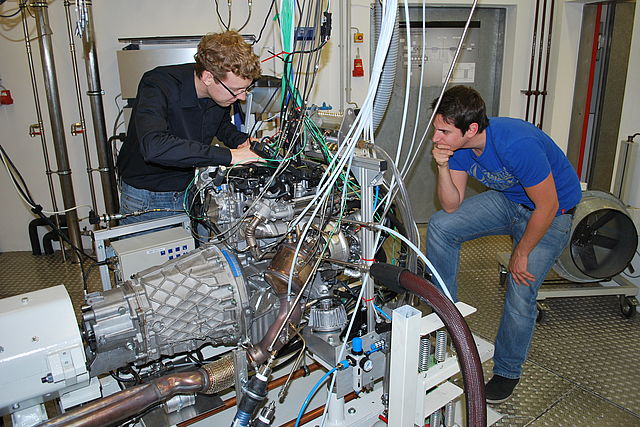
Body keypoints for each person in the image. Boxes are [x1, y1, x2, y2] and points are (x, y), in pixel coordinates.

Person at [425, 86, 581, 403]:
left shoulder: (516, 144)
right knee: (441, 226)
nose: (436, 138)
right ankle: (445, 319)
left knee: (521, 289)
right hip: (509, 202)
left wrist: (520, 252)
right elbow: (451, 206)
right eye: (436, 129)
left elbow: (547, 206)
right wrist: (442, 166)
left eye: (443, 131)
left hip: (553, 214)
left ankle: (507, 371)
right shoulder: (460, 149)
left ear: (471, 129)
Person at [116, 30, 263, 227]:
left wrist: (240, 141)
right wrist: (230, 155)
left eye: (246, 89)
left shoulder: (218, 94)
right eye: (236, 90)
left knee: (201, 256)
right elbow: (155, 146)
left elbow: (219, 124)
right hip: (148, 198)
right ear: (208, 77)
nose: (242, 97)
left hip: (190, 191)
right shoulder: (159, 84)